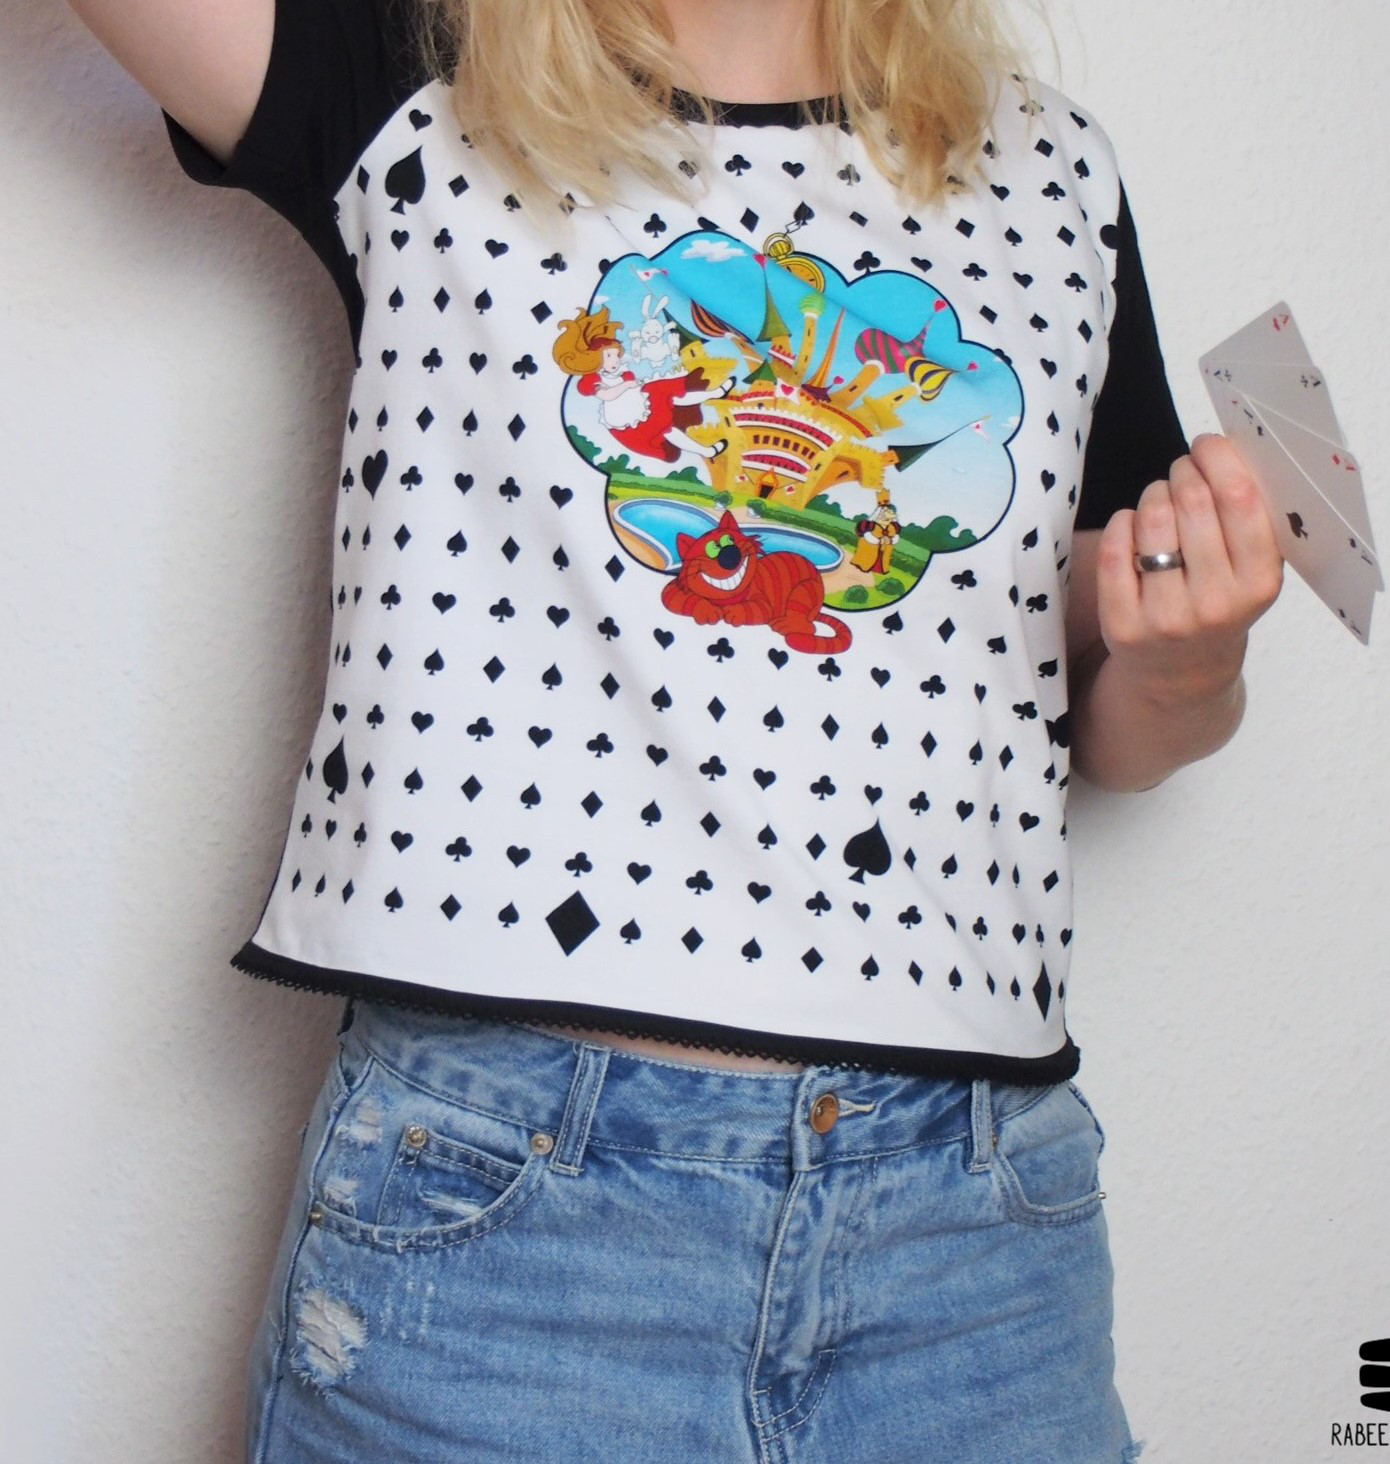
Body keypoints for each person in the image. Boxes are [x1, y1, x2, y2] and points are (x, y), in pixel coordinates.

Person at [66, 0, 1284, 1457]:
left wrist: (1191, 665)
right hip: (503, 1227)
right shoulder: (419, 80)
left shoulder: (1050, 172)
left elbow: (1112, 716)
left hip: (974, 1246)